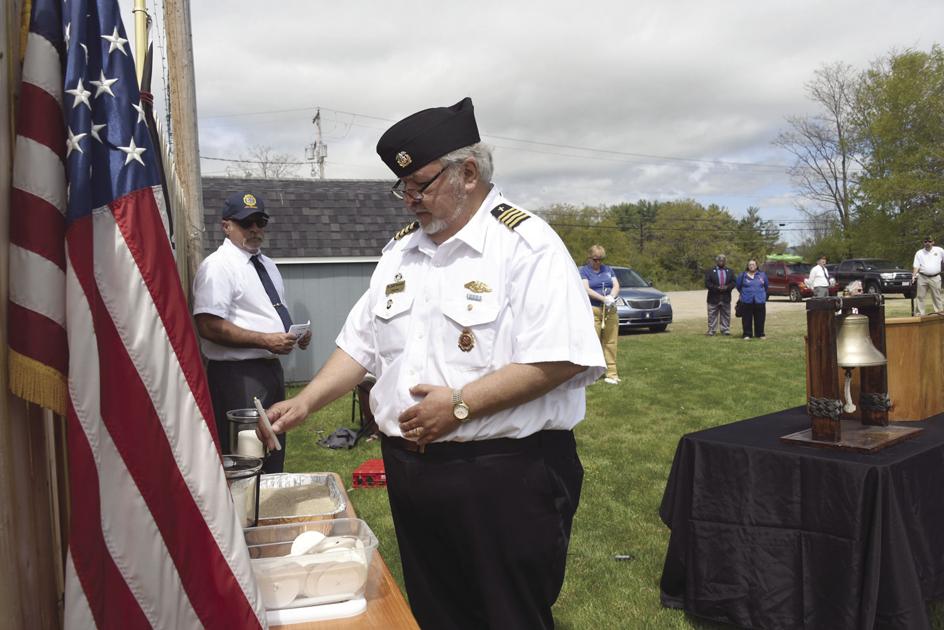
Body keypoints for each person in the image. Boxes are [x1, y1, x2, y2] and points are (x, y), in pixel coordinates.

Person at [262, 98, 605, 629]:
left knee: (507, 616)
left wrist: (462, 405)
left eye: (420, 185)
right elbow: (362, 345)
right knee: (434, 612)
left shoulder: (525, 244)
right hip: (413, 471)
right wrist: (306, 401)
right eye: (402, 187)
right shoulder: (400, 253)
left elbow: (561, 358)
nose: (409, 200)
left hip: (504, 476)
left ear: (467, 172)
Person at [192, 192, 311, 473]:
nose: (255, 229)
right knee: (245, 455)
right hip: (238, 376)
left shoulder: (266, 264)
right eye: (246, 223)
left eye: (260, 222)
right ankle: (244, 515)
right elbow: (207, 325)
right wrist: (265, 340)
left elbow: (264, 311)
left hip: (269, 370)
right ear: (226, 226)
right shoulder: (218, 266)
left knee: (272, 445)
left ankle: (269, 508)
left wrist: (294, 335)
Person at [579, 245, 621, 384]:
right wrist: (603, 298)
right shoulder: (584, 271)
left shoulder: (608, 269)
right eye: (596, 259)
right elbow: (586, 289)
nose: (599, 262)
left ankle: (612, 374)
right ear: (590, 258)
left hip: (610, 309)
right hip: (594, 309)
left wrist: (611, 297)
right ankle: (591, 375)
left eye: (601, 259)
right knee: (593, 342)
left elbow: (616, 285)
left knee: (610, 342)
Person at [735, 259, 769, 339]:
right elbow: (738, 286)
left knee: (760, 318)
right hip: (746, 300)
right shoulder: (742, 275)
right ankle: (747, 334)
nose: (751, 266)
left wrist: (761, 294)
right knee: (746, 318)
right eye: (750, 264)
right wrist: (745, 293)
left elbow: (766, 286)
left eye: (753, 264)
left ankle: (760, 334)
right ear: (747, 266)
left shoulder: (762, 275)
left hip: (759, 300)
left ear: (756, 266)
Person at [912, 235, 944, 315]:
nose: (927, 243)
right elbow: (916, 266)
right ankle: (920, 314)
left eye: (929, 241)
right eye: (925, 241)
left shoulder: (940, 250)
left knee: (937, 297)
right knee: (920, 297)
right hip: (922, 277)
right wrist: (913, 276)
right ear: (923, 243)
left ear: (933, 242)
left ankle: (939, 314)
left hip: (935, 277)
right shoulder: (919, 253)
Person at [705, 254, 736, 336]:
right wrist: (716, 287)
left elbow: (733, 282)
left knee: (726, 314)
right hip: (713, 297)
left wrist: (727, 287)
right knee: (712, 315)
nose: (721, 262)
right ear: (717, 261)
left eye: (723, 260)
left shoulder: (730, 271)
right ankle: (712, 330)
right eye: (720, 260)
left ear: (725, 261)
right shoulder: (710, 271)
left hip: (726, 296)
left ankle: (725, 330)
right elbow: (707, 283)